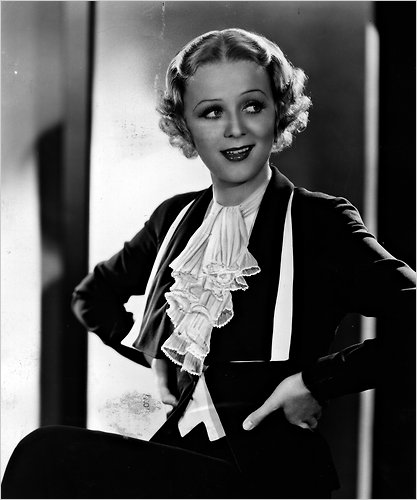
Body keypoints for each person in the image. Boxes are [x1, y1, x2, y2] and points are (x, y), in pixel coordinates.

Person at [2, 28, 415, 499]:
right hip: (184, 459)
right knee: (44, 457)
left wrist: (313, 382)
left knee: (45, 456)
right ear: (186, 126)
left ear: (279, 111)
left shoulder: (320, 221)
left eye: (252, 106)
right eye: (212, 112)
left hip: (268, 477)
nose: (235, 128)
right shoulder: (175, 218)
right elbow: (91, 297)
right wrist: (156, 352)